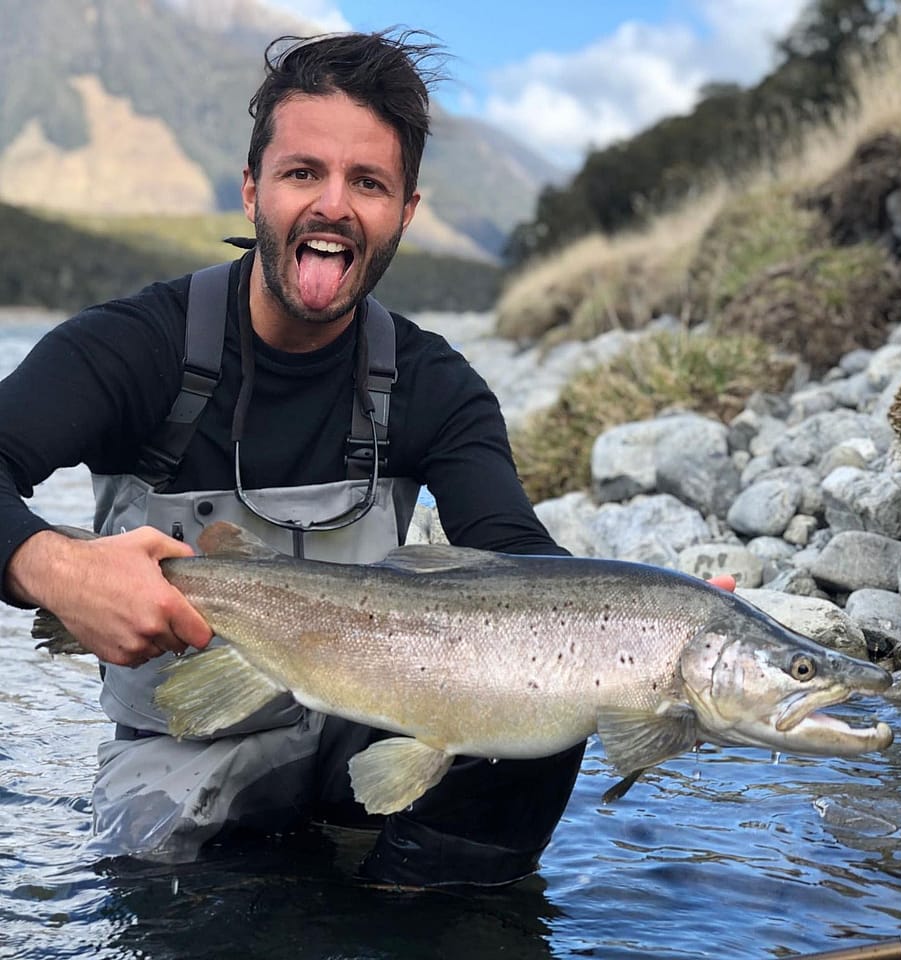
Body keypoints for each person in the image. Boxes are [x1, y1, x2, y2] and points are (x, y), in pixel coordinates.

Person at [0, 30, 585, 887]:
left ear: (406, 213)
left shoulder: (434, 386)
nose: (334, 206)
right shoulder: (134, 349)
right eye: (303, 173)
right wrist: (48, 566)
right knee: (177, 909)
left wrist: (656, 637)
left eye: (369, 183)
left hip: (375, 731)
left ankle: (421, 918)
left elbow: (520, 557)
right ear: (251, 190)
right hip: (189, 745)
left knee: (543, 738)